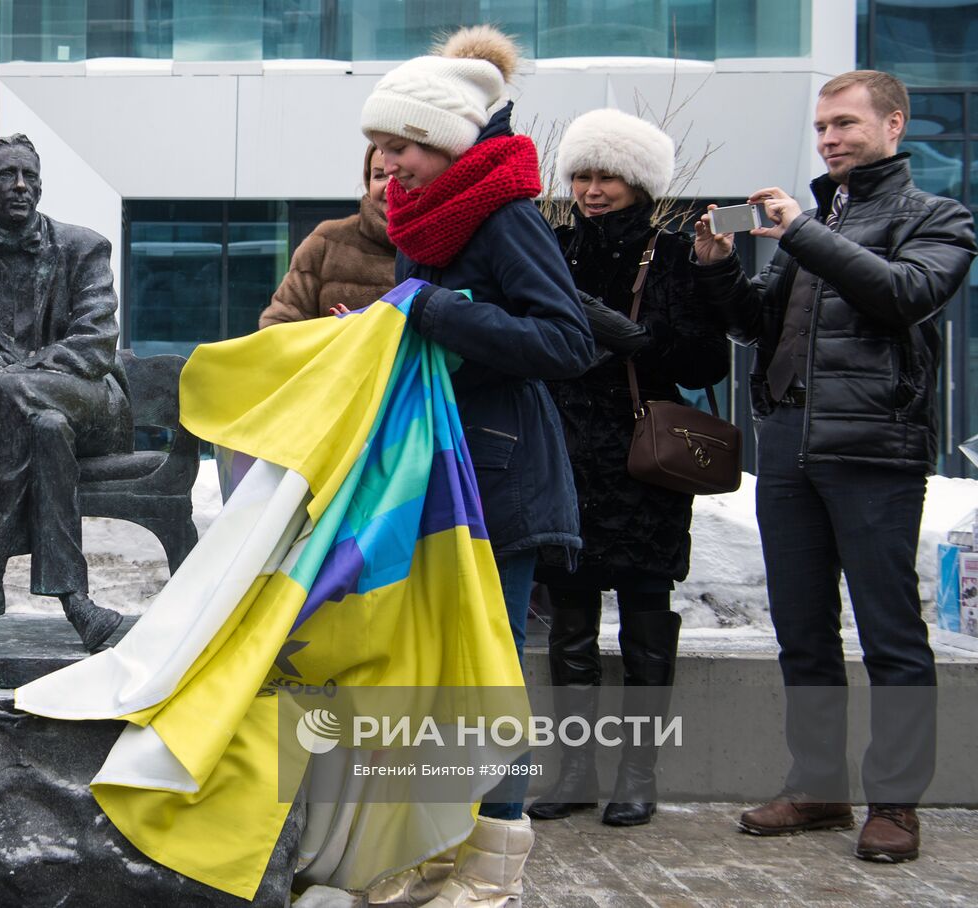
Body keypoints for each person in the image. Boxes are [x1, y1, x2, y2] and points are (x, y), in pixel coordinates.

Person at [693, 70, 976, 863]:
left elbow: (905, 294)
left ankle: (895, 806)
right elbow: (757, 326)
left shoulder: (937, 217)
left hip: (874, 451)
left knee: (890, 636)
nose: (830, 140)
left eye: (846, 124)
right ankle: (816, 787)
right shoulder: (816, 223)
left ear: (894, 126)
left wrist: (803, 234)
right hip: (788, 447)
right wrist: (719, 267)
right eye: (822, 128)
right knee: (802, 633)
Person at [355, 24, 595, 906]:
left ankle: (495, 870)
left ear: (448, 142)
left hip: (502, 479)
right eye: (378, 150)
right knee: (438, 671)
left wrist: (433, 311)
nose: (387, 166)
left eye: (402, 146)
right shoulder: (433, 214)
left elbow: (565, 339)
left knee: (486, 677)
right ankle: (446, 842)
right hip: (443, 475)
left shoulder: (503, 215)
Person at [527, 109, 730, 828]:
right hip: (563, 455)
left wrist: (631, 338)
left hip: (646, 461)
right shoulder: (547, 249)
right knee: (570, 623)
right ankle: (576, 768)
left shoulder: (672, 255)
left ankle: (637, 772)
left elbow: (708, 361)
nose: (591, 188)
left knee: (647, 619)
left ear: (638, 180)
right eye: (581, 173)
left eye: (605, 174)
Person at [0, 134, 131, 651]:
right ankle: (78, 605)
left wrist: (11, 378)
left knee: (23, 401)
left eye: (30, 176)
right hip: (29, 426)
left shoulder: (84, 248)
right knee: (43, 426)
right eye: (7, 176)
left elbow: (95, 344)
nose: (22, 186)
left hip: (92, 402)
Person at [258, 144, 396, 327]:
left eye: (402, 175)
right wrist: (337, 339)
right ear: (367, 183)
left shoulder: (442, 247)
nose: (390, 187)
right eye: (379, 176)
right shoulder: (327, 243)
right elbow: (278, 329)